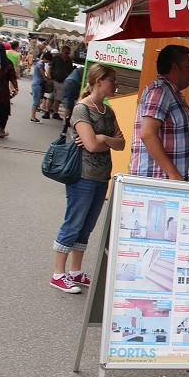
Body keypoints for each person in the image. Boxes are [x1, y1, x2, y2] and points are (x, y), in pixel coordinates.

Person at [49, 63, 125, 293]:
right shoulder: (82, 109)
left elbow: (121, 144)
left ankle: (75, 270)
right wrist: (103, 141)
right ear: (99, 81)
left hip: (101, 176)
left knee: (87, 226)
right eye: (112, 80)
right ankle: (58, 273)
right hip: (82, 175)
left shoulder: (107, 111)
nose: (116, 84)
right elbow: (90, 145)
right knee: (73, 222)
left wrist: (102, 137)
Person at [131, 44, 189, 181]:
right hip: (159, 182)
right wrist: (173, 174)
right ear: (174, 67)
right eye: (188, 65)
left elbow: (174, 132)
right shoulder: (160, 91)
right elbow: (148, 134)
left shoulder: (172, 93)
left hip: (168, 182)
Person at [0, 51, 19, 138]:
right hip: (3, 91)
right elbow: (13, 77)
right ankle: (2, 130)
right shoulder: (8, 63)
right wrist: (16, 87)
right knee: (4, 111)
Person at [46, 45, 75, 119]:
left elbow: (70, 71)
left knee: (58, 99)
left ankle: (55, 112)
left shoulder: (69, 61)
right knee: (51, 97)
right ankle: (47, 111)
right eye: (66, 53)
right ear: (62, 52)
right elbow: (50, 67)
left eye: (68, 53)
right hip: (54, 80)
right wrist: (49, 77)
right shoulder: (56, 58)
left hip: (62, 82)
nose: (67, 55)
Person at [29, 51, 51, 122]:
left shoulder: (40, 63)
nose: (48, 61)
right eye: (47, 60)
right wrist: (49, 81)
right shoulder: (40, 64)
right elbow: (43, 75)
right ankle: (33, 117)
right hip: (37, 84)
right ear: (45, 58)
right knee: (36, 101)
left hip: (36, 84)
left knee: (37, 100)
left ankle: (33, 116)